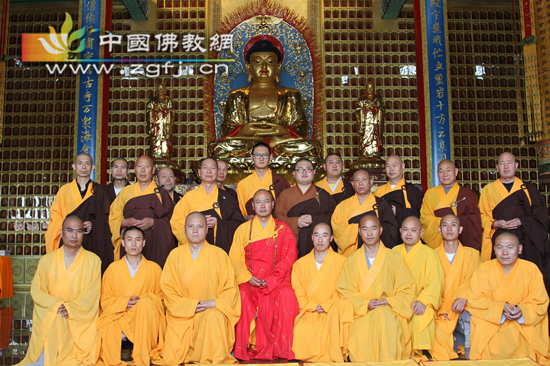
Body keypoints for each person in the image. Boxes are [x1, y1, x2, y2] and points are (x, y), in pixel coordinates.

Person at [207, 35, 321, 162]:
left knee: (312, 148)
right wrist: (244, 130)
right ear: (248, 67)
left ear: (278, 67)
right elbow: (228, 127)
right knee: (217, 148)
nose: (264, 67)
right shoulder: (237, 95)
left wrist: (283, 131)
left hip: (280, 142)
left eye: (270, 62)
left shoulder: (291, 95)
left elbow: (301, 126)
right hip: (247, 143)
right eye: (257, 62)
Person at [326, 215, 416, 362]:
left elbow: (407, 289)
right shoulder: (352, 261)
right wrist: (365, 303)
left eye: (373, 228)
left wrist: (389, 301)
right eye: (365, 229)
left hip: (389, 311)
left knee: (383, 315)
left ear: (380, 230)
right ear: (359, 232)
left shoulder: (394, 257)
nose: (369, 233)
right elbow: (345, 290)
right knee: (374, 318)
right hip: (361, 315)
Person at [156, 212, 240, 365]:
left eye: (200, 226)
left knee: (214, 316)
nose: (195, 230)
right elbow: (168, 290)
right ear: (184, 230)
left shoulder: (219, 255)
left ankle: (211, 359)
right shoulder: (174, 255)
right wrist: (192, 305)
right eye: (191, 226)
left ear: (207, 230)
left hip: (210, 311)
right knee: (170, 355)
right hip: (183, 315)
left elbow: (230, 289)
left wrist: (215, 303)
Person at [17, 216, 101, 366]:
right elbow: (37, 291)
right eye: (70, 231)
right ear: (61, 233)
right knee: (54, 316)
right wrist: (58, 305)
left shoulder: (94, 261)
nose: (74, 235)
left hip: (80, 316)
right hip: (53, 312)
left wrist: (70, 308)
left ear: (84, 233)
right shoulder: (46, 260)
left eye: (79, 231)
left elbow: (92, 295)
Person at [229, 189, 299, 360]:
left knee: (287, 295)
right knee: (242, 295)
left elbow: (290, 255)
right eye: (258, 202)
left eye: (266, 201)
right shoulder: (243, 229)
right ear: (252, 205)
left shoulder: (282, 228)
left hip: (276, 280)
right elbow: (234, 258)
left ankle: (282, 347)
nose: (262, 205)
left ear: (272, 204)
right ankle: (243, 349)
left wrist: (272, 278)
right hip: (250, 280)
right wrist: (246, 277)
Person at [468, 232, 550, 363]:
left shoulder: (531, 269)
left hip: (523, 325)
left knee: (532, 331)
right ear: (494, 249)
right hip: (493, 326)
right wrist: (500, 308)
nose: (504, 252)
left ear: (520, 249)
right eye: (500, 247)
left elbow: (540, 301)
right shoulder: (483, 269)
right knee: (482, 327)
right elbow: (475, 299)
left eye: (510, 247)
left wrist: (522, 311)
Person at [97, 226, 165, 366]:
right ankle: (125, 348)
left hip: (145, 318)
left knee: (146, 304)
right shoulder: (112, 269)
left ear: (144, 243)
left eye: (137, 240)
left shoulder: (154, 268)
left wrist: (142, 303)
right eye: (129, 240)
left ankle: (140, 352)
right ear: (123, 243)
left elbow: (161, 298)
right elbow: (105, 300)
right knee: (109, 328)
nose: (133, 244)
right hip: (119, 315)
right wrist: (125, 302)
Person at [478, 152, 550, 274]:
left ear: (516, 165)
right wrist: (495, 224)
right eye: (502, 163)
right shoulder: (488, 190)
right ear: (497, 167)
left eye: (509, 162)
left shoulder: (527, 189)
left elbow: (541, 214)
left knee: (524, 274)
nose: (506, 166)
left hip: (524, 240)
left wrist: (522, 221)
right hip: (499, 241)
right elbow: (481, 215)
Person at [44, 153, 113, 273]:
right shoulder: (64, 190)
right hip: (70, 239)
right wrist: (70, 227)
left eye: (87, 163)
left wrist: (94, 224)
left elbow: (106, 218)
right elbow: (55, 215)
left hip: (92, 239)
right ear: (74, 166)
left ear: (92, 167)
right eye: (80, 163)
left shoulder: (99, 191)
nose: (83, 167)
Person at [291, 223, 346, 362]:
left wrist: (328, 305)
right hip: (308, 311)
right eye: (317, 235)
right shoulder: (300, 264)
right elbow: (297, 291)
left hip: (333, 312)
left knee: (333, 331)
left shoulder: (342, 262)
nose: (320, 239)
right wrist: (312, 306)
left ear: (331, 238)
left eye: (325, 235)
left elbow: (344, 289)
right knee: (300, 330)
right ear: (312, 238)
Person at [393, 216, 444, 361]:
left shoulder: (430, 254)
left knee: (419, 315)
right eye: (406, 230)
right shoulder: (393, 252)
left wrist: (423, 300)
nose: (409, 233)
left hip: (419, 302)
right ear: (400, 231)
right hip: (399, 302)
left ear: (421, 233)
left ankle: (418, 353)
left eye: (414, 230)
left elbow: (435, 283)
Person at [110, 155, 175, 268]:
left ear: (153, 170)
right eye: (140, 166)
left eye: (146, 166)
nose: (143, 170)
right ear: (135, 169)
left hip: (155, 242)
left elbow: (171, 220)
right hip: (131, 242)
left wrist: (154, 223)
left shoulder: (161, 194)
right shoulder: (125, 192)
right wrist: (125, 222)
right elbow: (113, 217)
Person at [431, 214, 481, 360]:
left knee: (478, 319)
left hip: (465, 303)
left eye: (453, 225)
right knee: (434, 325)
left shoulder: (473, 254)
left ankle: (470, 354)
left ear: (460, 229)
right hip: (441, 306)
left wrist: (463, 296)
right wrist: (441, 308)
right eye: (445, 225)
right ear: (439, 230)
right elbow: (428, 285)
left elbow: (474, 280)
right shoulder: (431, 255)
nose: (449, 228)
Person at [171, 158, 244, 253]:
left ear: (217, 172)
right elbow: (175, 222)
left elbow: (239, 225)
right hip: (194, 251)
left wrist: (218, 224)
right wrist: (196, 225)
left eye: (213, 168)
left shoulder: (227, 197)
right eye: (205, 167)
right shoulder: (188, 197)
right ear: (199, 172)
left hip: (219, 252)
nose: (209, 171)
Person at [275, 158, 336, 258]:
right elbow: (277, 219)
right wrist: (296, 222)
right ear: (294, 173)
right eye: (300, 169)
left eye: (308, 169)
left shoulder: (323, 195)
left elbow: (335, 218)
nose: (304, 172)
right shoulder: (285, 195)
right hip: (292, 245)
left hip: (319, 245)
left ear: (313, 172)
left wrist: (315, 219)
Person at [331, 168, 398, 256]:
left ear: (371, 182)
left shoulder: (381, 204)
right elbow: (338, 230)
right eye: (357, 180)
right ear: (352, 184)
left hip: (376, 255)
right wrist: (358, 228)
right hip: (350, 256)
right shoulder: (342, 206)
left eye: (364, 179)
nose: (361, 183)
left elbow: (390, 231)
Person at [420, 159, 482, 251]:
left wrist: (453, 221)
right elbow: (424, 219)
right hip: (437, 246)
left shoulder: (466, 193)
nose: (445, 174)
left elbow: (474, 220)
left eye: (448, 170)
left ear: (456, 171)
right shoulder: (430, 193)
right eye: (441, 171)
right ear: (437, 173)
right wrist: (442, 222)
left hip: (461, 244)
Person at [374, 154, 423, 243]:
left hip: (407, 238)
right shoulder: (378, 192)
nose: (391, 169)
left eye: (394, 165)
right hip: (385, 239)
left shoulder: (414, 192)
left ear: (403, 166)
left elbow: (421, 216)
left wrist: (398, 211)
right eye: (388, 166)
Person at [235, 142, 290, 219]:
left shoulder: (280, 182)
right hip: (251, 227)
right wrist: (245, 218)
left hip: (276, 228)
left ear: (270, 157)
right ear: (252, 157)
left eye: (265, 155)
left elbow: (287, 209)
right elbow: (239, 212)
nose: (261, 158)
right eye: (257, 155)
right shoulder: (242, 184)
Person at [355, 80, 385, 160]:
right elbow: (358, 110)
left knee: (375, 137)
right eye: (368, 87)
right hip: (366, 122)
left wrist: (376, 109)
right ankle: (364, 153)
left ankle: (375, 154)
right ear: (365, 88)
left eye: (372, 87)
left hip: (375, 122)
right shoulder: (362, 99)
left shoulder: (378, 98)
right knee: (365, 138)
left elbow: (382, 109)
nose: (370, 89)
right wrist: (365, 109)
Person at [147, 83, 175, 161]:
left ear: (165, 90)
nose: (160, 91)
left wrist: (168, 122)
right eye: (159, 89)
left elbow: (171, 113)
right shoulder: (153, 101)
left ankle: (165, 153)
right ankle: (155, 154)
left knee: (165, 138)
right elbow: (149, 112)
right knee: (155, 138)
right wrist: (151, 125)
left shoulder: (168, 100)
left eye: (162, 89)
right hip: (155, 123)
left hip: (165, 123)